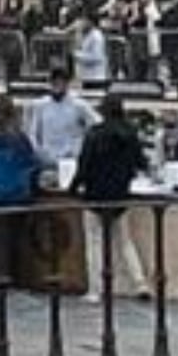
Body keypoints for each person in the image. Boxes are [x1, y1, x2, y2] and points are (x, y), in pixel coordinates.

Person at [69, 95, 152, 301]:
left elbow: (84, 165)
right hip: (120, 195)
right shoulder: (130, 134)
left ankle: (96, 290)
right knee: (125, 242)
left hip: (95, 195)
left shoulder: (94, 134)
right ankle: (139, 283)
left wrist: (73, 187)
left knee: (94, 242)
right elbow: (141, 163)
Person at [0, 97, 45, 288]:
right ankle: (14, 276)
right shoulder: (18, 139)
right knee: (17, 236)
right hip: (17, 191)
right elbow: (31, 161)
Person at [29, 68, 100, 167]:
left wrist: (82, 148)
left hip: (71, 158)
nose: (57, 85)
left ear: (67, 84)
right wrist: (39, 152)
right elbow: (33, 133)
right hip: (48, 158)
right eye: (54, 82)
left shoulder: (79, 105)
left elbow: (97, 125)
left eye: (61, 82)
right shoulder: (40, 105)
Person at [73, 16, 112, 87]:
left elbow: (96, 57)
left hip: (96, 78)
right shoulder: (85, 35)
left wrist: (77, 55)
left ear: (90, 22)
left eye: (84, 21)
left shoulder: (96, 36)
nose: (81, 23)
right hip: (86, 77)